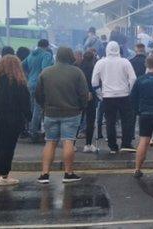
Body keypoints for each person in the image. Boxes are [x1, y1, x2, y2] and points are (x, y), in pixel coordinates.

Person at [35, 47, 90, 184]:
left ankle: (44, 174)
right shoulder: (77, 72)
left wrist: (45, 106)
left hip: (50, 112)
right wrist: (82, 106)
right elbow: (84, 93)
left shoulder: (46, 72)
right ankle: (68, 173)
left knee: (50, 142)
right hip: (72, 112)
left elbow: (38, 94)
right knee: (68, 141)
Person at [0, 54, 32, 185]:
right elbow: (25, 103)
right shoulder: (18, 82)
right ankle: (4, 176)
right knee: (8, 147)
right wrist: (29, 117)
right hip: (12, 119)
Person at [91, 41, 137, 154]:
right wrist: (129, 90)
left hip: (107, 96)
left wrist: (100, 94)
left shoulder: (100, 63)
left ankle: (112, 146)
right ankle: (126, 143)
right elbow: (133, 78)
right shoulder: (125, 62)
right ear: (118, 49)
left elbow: (94, 82)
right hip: (124, 95)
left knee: (110, 122)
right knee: (126, 120)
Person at [23, 39, 54, 142]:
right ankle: (34, 132)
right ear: (47, 46)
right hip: (40, 85)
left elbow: (22, 65)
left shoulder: (31, 55)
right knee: (38, 108)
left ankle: (31, 129)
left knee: (31, 108)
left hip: (30, 83)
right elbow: (45, 69)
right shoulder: (46, 55)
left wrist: (29, 74)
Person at [76, 49, 99, 153]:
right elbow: (95, 82)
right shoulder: (94, 68)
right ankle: (88, 144)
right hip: (91, 96)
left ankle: (72, 144)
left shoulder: (78, 68)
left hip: (79, 97)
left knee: (77, 120)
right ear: (93, 58)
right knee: (90, 121)